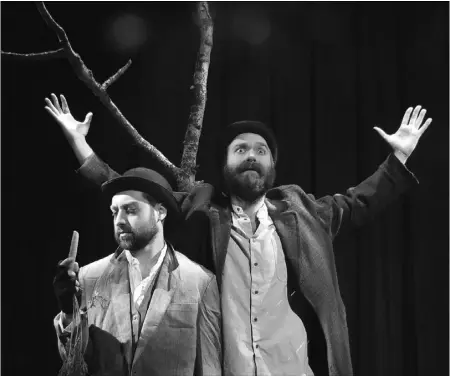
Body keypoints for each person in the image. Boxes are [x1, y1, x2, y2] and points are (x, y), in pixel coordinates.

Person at [46, 93, 432, 376]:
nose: (252, 155)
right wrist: (81, 146)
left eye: (261, 150)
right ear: (225, 164)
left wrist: (397, 158)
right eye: (241, 149)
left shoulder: (302, 212)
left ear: (273, 166)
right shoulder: (201, 209)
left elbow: (356, 203)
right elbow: (135, 194)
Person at [52, 164, 222, 376]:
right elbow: (74, 361)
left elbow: (210, 367)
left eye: (131, 210)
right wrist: (69, 313)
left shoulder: (200, 282)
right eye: (115, 212)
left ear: (160, 212)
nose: (119, 221)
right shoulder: (88, 277)